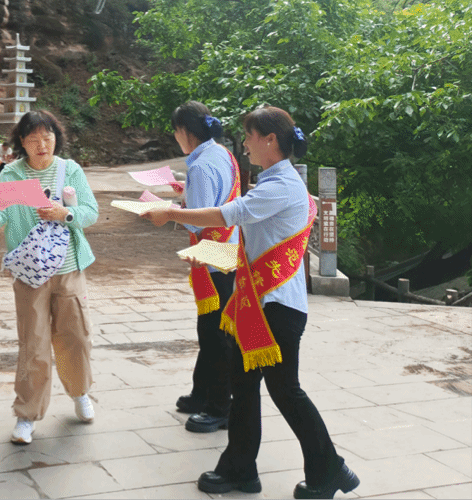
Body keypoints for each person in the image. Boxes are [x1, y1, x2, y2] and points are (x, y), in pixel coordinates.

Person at [144, 106, 359, 500]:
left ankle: (329, 468)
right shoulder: (275, 181)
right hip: (262, 304)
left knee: (286, 391)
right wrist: (211, 253)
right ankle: (240, 469)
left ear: (270, 140)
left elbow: (230, 215)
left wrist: (172, 213)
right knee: (244, 387)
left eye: (249, 136)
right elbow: (253, 248)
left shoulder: (281, 186)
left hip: (276, 308)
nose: (244, 144)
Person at [0, 110, 100, 445]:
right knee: (33, 343)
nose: (41, 144)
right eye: (33, 139)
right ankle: (27, 414)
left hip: (69, 269)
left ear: (56, 138)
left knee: (76, 335)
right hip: (29, 273)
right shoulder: (11, 174)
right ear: (22, 142)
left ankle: (80, 392)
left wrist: (66, 213)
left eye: (47, 137)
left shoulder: (70, 170)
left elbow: (90, 212)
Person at [166, 101, 240, 434]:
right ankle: (201, 393)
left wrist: (169, 211)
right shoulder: (221, 154)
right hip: (228, 250)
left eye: (175, 131)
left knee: (214, 333)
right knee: (211, 328)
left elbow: (199, 220)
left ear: (184, 131)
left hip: (213, 256)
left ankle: (219, 407)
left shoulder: (200, 166)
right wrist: (186, 197)